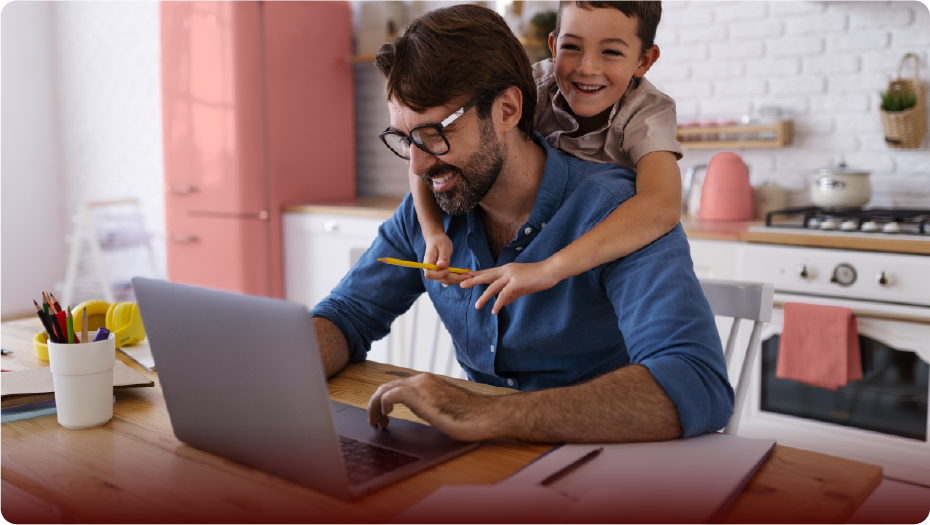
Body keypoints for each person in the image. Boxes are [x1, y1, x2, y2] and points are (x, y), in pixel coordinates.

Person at [310, 5, 732, 444]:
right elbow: (347, 315)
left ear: (508, 110)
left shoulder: (618, 212)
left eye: (435, 134)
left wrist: (493, 414)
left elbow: (696, 382)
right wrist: (265, 371)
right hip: (478, 466)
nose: (417, 164)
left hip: (604, 469)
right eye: (406, 138)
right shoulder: (435, 201)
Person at [409, 0, 683, 315]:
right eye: (571, 47)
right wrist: (433, 232)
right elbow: (422, 150)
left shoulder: (646, 109)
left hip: (605, 255)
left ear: (644, 60)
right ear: (553, 45)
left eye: (611, 52)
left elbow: (662, 206)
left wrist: (548, 268)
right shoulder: (535, 86)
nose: (587, 68)